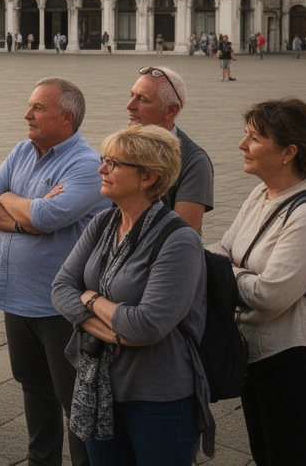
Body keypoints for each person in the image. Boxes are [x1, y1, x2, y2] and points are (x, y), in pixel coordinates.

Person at [51, 125, 210, 464]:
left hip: (158, 396)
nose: (101, 169)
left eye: (114, 163)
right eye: (104, 160)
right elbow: (61, 289)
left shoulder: (179, 240)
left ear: (148, 177)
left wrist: (90, 300)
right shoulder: (104, 223)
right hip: (98, 385)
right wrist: (118, 333)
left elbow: (147, 325)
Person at [0, 78, 112, 466]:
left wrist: (12, 198)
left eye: (37, 108)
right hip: (17, 299)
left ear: (66, 118)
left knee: (74, 399)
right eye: (30, 105)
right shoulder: (22, 150)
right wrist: (23, 215)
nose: (27, 114)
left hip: (59, 307)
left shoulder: (86, 165)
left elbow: (47, 216)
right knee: (34, 388)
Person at [212, 99, 306, 466]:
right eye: (246, 135)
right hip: (256, 351)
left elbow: (270, 294)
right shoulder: (261, 193)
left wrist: (225, 271)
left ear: (288, 152)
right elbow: (223, 247)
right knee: (264, 454)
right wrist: (221, 264)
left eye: (254, 138)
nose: (242, 145)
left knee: (288, 458)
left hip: (297, 360)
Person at [126, 66, 213, 233]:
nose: (130, 105)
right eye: (132, 96)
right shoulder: (121, 148)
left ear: (171, 110)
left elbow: (182, 236)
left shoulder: (193, 161)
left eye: (143, 99)